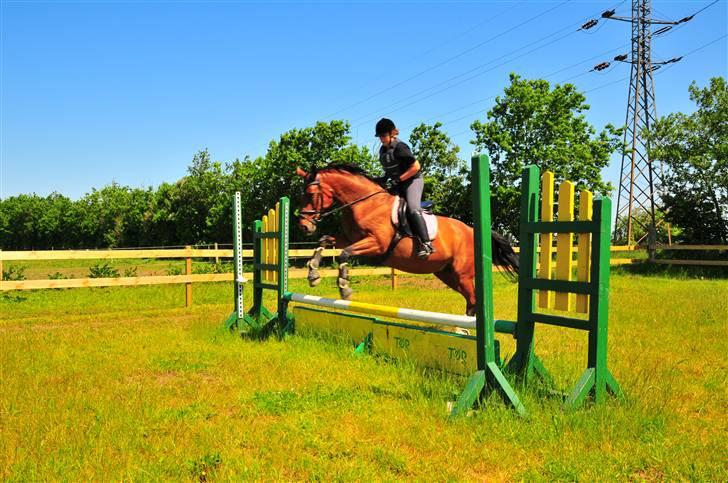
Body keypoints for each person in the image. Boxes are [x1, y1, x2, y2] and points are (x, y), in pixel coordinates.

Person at [375, 118, 435, 258]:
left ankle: (426, 244)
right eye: (380, 136)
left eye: (384, 136)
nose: (382, 139)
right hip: (398, 183)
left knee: (413, 209)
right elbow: (389, 171)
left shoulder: (400, 147)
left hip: (413, 181)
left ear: (392, 134)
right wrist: (381, 180)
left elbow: (416, 167)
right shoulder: (383, 151)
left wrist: (399, 179)